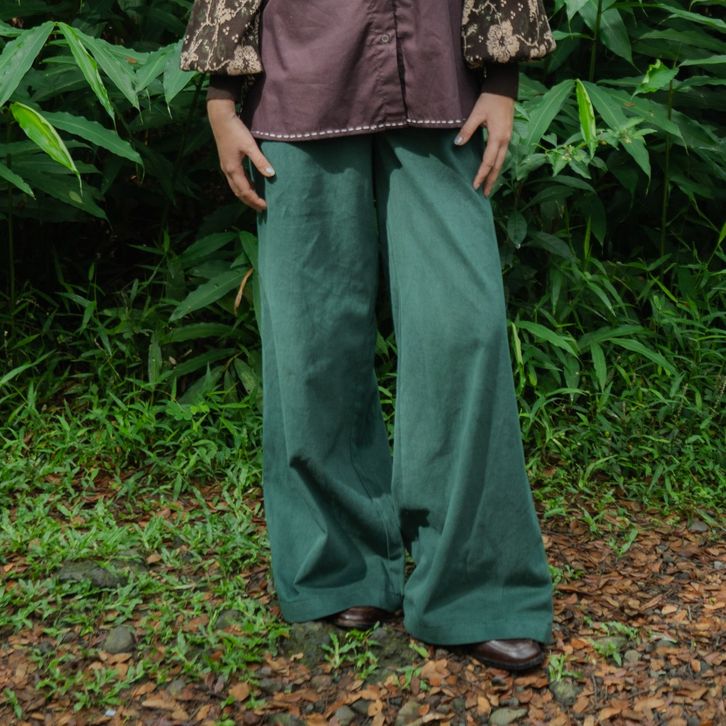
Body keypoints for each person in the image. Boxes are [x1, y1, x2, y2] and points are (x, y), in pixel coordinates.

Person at [181, 0, 557, 672]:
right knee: (311, 339)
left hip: (441, 78)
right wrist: (220, 95)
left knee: (462, 333)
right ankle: (339, 564)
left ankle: (477, 588)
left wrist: (502, 80)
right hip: (298, 79)